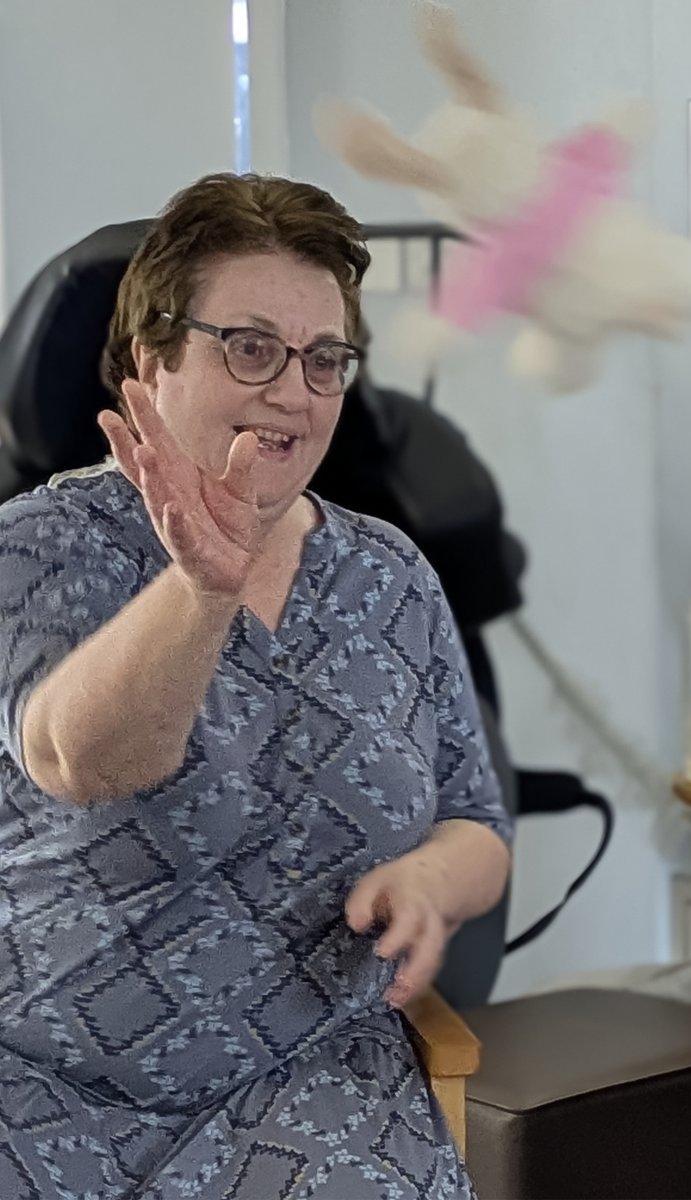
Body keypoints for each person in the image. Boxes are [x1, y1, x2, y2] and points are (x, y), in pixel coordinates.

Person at [0, 172, 512, 1199]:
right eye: (250, 347)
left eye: (326, 359)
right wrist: (205, 584)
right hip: (42, 1087)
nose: (294, 390)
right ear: (152, 360)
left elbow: (476, 823)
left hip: (309, 1085)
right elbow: (81, 758)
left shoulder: (389, 575)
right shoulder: (40, 550)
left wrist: (428, 882)